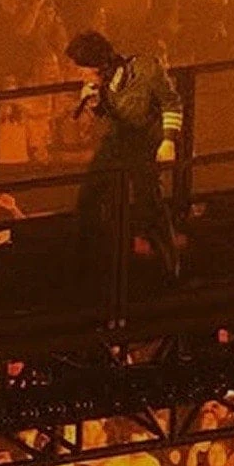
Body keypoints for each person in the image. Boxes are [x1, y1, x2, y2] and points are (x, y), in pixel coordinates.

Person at [66, 28, 184, 282]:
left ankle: (170, 266)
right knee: (88, 199)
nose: (79, 74)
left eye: (82, 69)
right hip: (116, 143)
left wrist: (168, 140)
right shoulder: (102, 85)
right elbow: (110, 117)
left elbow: (171, 102)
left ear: (96, 65)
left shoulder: (145, 69)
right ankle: (84, 266)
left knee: (149, 204)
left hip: (144, 144)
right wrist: (94, 103)